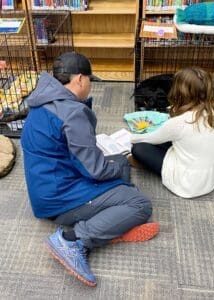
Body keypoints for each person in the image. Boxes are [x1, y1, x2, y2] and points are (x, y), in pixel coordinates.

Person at [21, 52, 159, 287]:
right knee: (140, 204)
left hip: (48, 185)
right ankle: (73, 240)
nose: (90, 86)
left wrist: (116, 164)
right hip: (60, 200)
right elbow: (95, 170)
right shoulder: (72, 113)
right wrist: (114, 168)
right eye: (90, 81)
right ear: (80, 79)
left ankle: (112, 222)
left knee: (122, 163)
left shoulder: (42, 99)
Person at [130, 67, 214, 199]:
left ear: (178, 92)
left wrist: (131, 137)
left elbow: (150, 139)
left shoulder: (180, 122)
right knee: (173, 139)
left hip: (190, 183)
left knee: (139, 148)